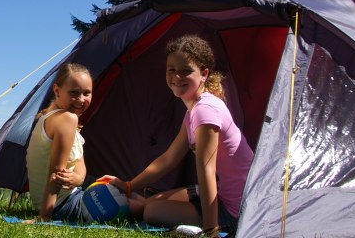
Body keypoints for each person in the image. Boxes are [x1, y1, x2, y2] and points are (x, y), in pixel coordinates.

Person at [108, 35, 253, 236]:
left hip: (237, 209)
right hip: (217, 193)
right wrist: (129, 185)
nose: (177, 77)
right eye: (172, 70)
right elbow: (169, 158)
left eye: (186, 71)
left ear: (204, 74)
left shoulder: (205, 110)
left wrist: (211, 231)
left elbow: (206, 172)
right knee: (150, 202)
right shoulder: (193, 111)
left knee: (151, 211)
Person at [25, 62, 143, 222]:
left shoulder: (54, 117)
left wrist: (78, 179)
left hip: (68, 197)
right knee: (139, 206)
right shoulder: (67, 119)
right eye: (74, 93)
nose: (81, 100)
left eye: (87, 93)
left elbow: (80, 167)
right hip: (62, 206)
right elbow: (56, 172)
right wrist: (45, 217)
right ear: (56, 90)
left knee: (130, 194)